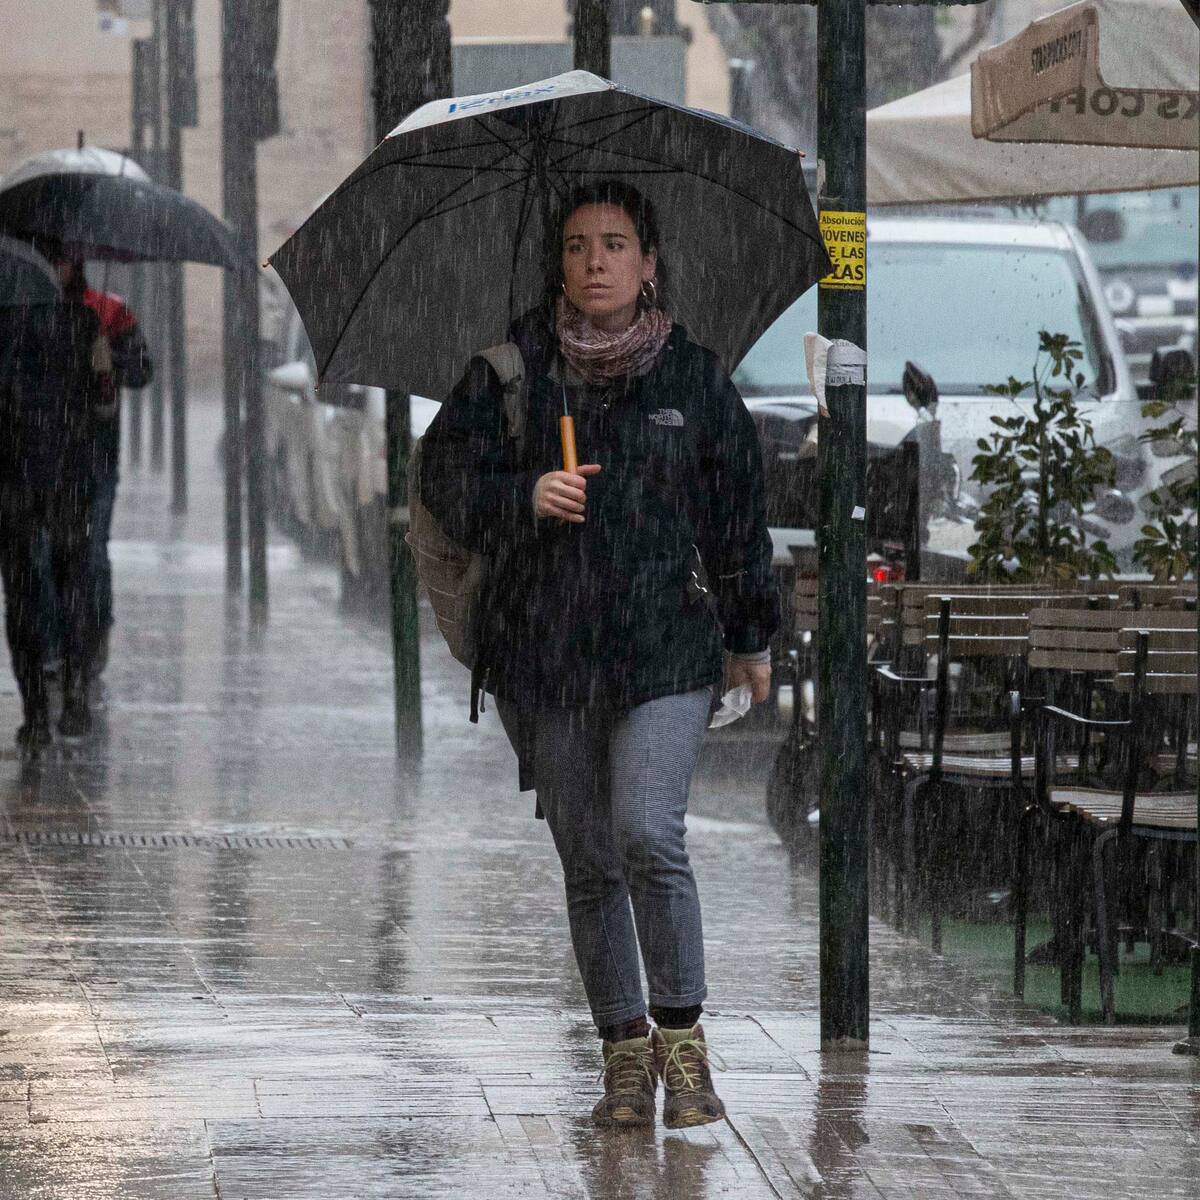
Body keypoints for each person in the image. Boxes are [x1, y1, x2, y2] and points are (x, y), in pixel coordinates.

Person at [420, 181, 777, 1129]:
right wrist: (524, 493)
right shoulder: (510, 373)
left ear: (649, 263)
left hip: (663, 651)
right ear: (559, 265)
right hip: (545, 656)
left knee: (647, 832)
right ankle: (624, 1053)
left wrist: (752, 637)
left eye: (615, 244)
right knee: (588, 859)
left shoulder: (691, 378)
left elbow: (737, 512)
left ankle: (685, 1042)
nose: (595, 262)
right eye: (578, 246)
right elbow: (443, 480)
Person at [0, 295, 110, 746]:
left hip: (14, 478)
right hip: (69, 476)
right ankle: (75, 695)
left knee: (22, 597)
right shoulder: (84, 321)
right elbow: (105, 403)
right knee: (73, 587)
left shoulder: (5, 322)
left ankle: (36, 716)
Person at [55, 249, 152, 675]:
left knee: (92, 550)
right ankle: (55, 644)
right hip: (44, 456)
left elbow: (142, 372)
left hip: (96, 453)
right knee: (46, 555)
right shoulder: (28, 313)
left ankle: (94, 633)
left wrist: (109, 355)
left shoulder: (109, 312)